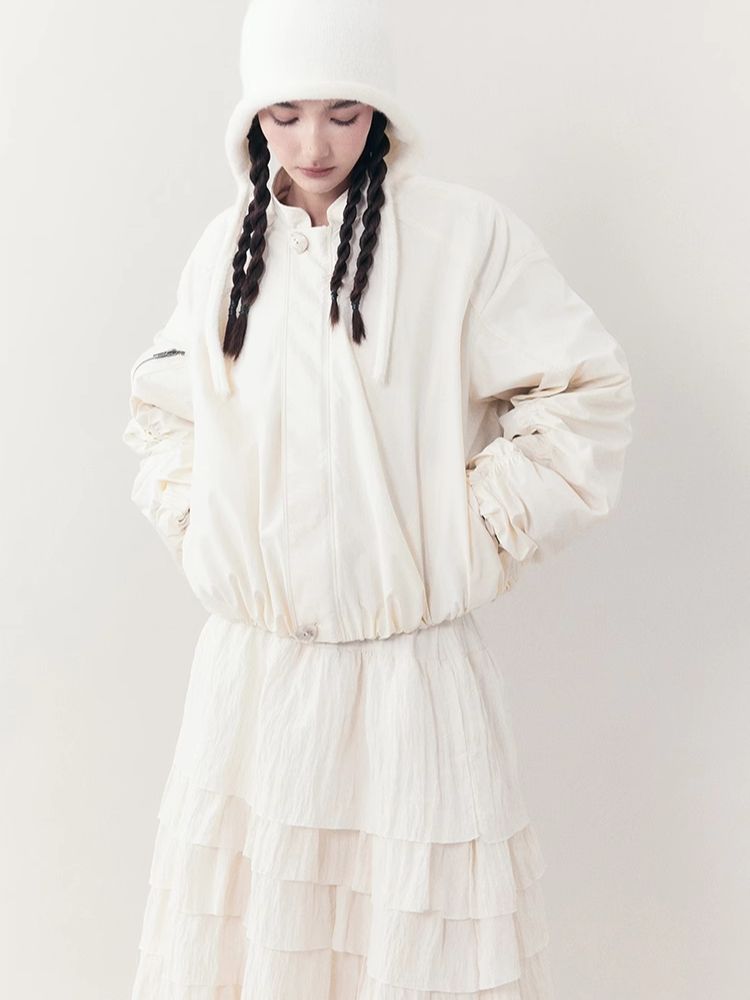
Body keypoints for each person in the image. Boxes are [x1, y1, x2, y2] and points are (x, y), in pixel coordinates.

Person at [122, 0, 635, 996]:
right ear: (251, 117)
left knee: (418, 950)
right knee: (257, 951)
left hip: (413, 682)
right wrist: (203, 528)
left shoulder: (462, 239)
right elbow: (162, 409)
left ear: (384, 110)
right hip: (255, 686)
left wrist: (471, 534)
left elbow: (586, 396)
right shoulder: (224, 254)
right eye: (286, 115)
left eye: (344, 112)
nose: (314, 144)